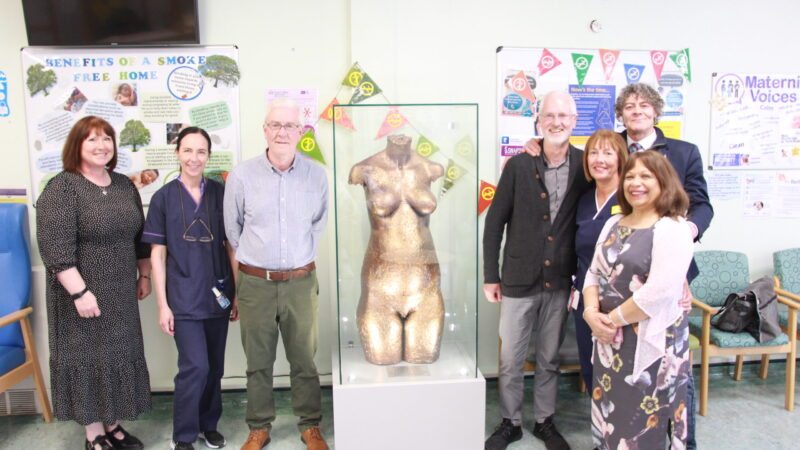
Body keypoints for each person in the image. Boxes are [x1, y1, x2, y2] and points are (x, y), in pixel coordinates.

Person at [525, 83, 712, 449]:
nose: (636, 111)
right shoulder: (611, 151)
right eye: (629, 106)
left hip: (660, 288)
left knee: (668, 385)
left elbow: (701, 206)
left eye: (644, 105)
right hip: (608, 293)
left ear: (656, 111)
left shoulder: (682, 153)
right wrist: (535, 146)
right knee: (610, 383)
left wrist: (679, 243)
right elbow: (567, 156)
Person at [36, 116, 152, 450]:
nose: (101, 146)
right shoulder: (62, 188)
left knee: (114, 358)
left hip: (120, 292)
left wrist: (143, 275)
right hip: (80, 295)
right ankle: (93, 434)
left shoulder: (123, 184)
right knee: (86, 360)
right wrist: (80, 292)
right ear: (77, 145)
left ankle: (113, 425)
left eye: (106, 139)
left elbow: (140, 238)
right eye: (92, 140)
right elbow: (55, 250)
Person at [483, 91, 590, 450]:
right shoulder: (518, 165)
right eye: (550, 115)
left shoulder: (587, 165)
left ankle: (545, 421)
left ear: (574, 122)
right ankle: (510, 422)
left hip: (560, 280)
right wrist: (490, 276)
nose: (557, 122)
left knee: (549, 358)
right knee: (511, 358)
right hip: (516, 279)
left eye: (564, 116)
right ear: (538, 120)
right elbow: (494, 223)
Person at [223, 98, 329, 450]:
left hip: (301, 283)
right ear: (265, 130)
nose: (282, 132)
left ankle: (310, 425)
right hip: (255, 283)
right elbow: (233, 231)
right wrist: (260, 261)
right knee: (258, 361)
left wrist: (295, 260)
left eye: (290, 126)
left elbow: (318, 225)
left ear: (301, 132)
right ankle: (258, 427)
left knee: (304, 359)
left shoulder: (317, 174)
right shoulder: (241, 176)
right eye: (276, 125)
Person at [583, 150, 693, 449]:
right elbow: (593, 273)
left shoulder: (673, 228)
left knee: (643, 422)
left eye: (646, 175)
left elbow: (659, 292)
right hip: (608, 339)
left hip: (650, 342)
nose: (636, 183)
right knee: (612, 413)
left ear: (664, 181)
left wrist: (610, 321)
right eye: (630, 176)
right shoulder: (614, 222)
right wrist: (591, 314)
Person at [143, 127, 237, 450]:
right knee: (194, 365)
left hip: (218, 295)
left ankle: (208, 425)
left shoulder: (221, 194)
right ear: (177, 154)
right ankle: (183, 434)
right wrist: (162, 305)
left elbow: (231, 246)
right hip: (182, 297)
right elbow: (158, 253)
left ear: (208, 156)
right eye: (187, 150)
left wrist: (236, 293)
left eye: (201, 151)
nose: (194, 157)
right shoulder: (163, 199)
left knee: (214, 367)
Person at [348, 134, 445, 365]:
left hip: (425, 285)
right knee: (381, 362)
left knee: (425, 361)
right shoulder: (364, 169)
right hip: (379, 285)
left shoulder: (430, 167)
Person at [572, 130, 628, 391]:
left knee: (623, 369)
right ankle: (601, 425)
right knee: (591, 365)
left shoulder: (632, 197)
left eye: (608, 152)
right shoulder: (583, 199)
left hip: (624, 300)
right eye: (593, 152)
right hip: (587, 297)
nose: (599, 159)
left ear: (620, 159)